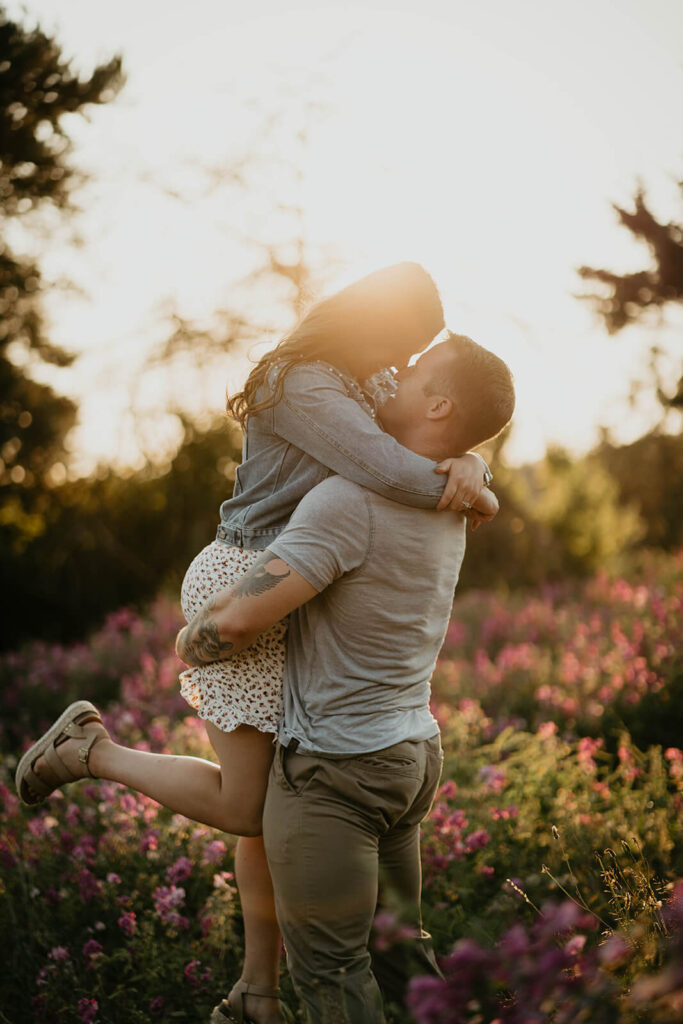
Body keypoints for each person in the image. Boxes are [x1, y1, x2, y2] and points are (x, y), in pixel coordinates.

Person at [15, 264, 498, 1024]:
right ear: (372, 321)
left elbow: (431, 434)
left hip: (306, 577)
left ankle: (256, 993)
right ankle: (90, 751)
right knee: (250, 805)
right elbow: (385, 468)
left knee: (275, 798)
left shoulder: (365, 380)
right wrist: (472, 479)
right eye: (402, 346)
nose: (400, 367)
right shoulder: (304, 380)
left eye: (414, 358)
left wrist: (474, 460)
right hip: (251, 579)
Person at [176, 333, 516, 1023]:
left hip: (334, 774)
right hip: (409, 757)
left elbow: (237, 624)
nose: (393, 373)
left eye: (413, 372)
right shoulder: (455, 501)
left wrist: (189, 642)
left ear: (439, 403)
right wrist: (473, 462)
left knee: (332, 977)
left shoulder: (346, 502)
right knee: (397, 950)